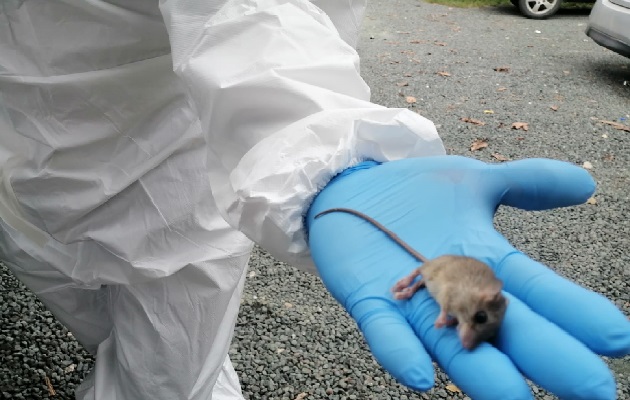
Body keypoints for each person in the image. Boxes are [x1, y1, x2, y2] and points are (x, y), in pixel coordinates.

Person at [0, 1, 627, 399]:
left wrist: (333, 157)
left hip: (167, 191)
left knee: (169, 358)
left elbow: (250, 16)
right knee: (82, 300)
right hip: (27, 153)